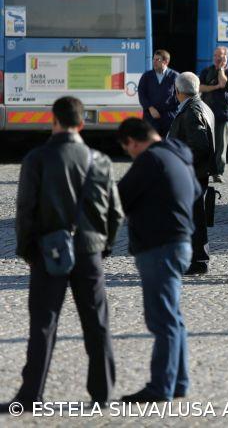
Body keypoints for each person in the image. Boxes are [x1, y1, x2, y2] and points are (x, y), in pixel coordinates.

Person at [5, 97, 122, 412]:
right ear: (82, 124)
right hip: (90, 251)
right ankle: (103, 392)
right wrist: (103, 246)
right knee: (96, 323)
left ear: (53, 121)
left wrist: (28, 250)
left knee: (43, 323)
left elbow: (25, 210)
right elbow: (115, 213)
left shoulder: (37, 159)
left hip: (48, 250)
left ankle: (31, 394)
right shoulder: (100, 160)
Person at [116, 118, 201, 403]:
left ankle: (161, 386)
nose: (130, 155)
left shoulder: (149, 160)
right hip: (181, 243)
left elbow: (119, 198)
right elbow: (196, 192)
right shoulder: (178, 154)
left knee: (162, 320)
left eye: (128, 149)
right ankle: (179, 382)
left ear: (133, 141)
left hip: (159, 246)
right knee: (173, 319)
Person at [168, 72, 216, 275]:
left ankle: (198, 261)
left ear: (177, 91)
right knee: (194, 218)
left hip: (192, 175)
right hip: (195, 173)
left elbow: (199, 146)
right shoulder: (200, 106)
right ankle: (195, 259)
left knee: (195, 219)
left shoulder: (192, 110)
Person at [199, 46, 228, 183]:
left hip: (223, 114)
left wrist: (221, 69)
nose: (217, 58)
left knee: (221, 146)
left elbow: (224, 83)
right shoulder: (206, 71)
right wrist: (214, 87)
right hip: (206, 113)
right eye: (215, 55)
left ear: (226, 57)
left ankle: (218, 173)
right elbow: (200, 87)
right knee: (206, 144)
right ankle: (204, 170)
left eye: (220, 56)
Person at [138, 49, 179, 137]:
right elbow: (141, 94)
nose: (154, 62)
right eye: (154, 59)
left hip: (169, 118)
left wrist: (173, 114)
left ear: (166, 62)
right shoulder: (147, 76)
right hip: (151, 117)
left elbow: (180, 96)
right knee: (150, 143)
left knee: (168, 144)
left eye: (158, 60)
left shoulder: (175, 76)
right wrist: (150, 108)